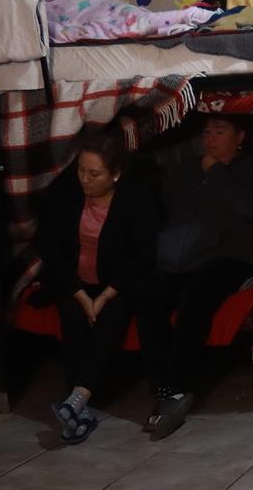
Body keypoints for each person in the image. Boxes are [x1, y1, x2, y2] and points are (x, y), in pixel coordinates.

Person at [136, 115, 253, 440]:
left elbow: (252, 208)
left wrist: (216, 172)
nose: (211, 138)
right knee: (149, 296)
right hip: (183, 256)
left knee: (196, 297)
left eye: (220, 131)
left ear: (239, 136)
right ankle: (163, 387)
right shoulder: (186, 169)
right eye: (207, 131)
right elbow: (170, 210)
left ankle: (178, 386)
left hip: (229, 257)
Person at [37, 132, 156, 444]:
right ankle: (77, 408)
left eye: (94, 173)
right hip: (74, 283)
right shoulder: (68, 194)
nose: (85, 179)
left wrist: (104, 295)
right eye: (81, 170)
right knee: (72, 317)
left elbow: (141, 255)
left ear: (114, 174)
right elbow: (52, 249)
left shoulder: (134, 200)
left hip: (115, 284)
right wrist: (80, 294)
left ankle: (77, 400)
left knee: (111, 316)